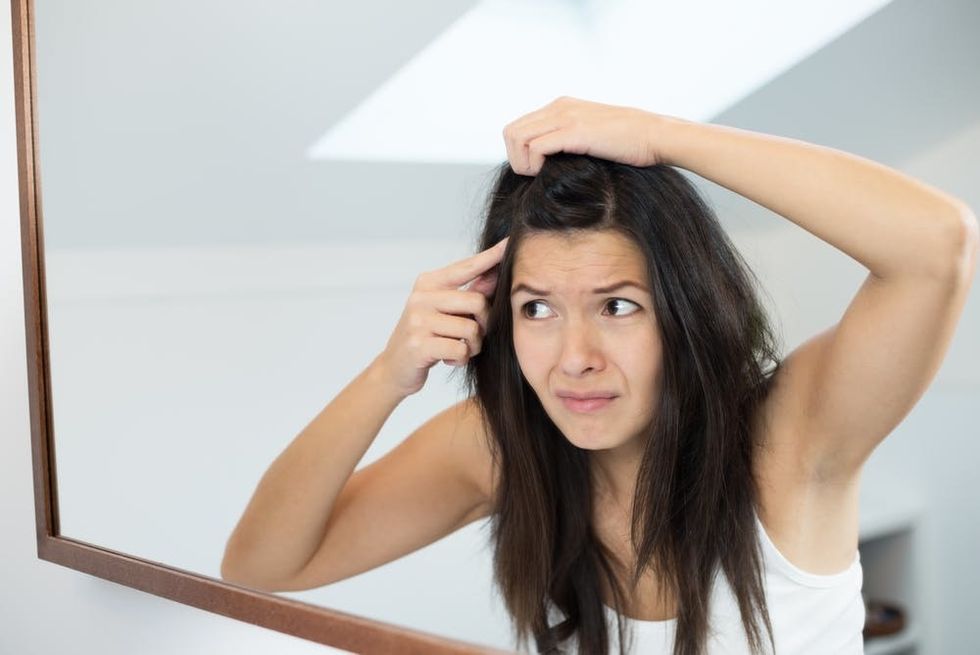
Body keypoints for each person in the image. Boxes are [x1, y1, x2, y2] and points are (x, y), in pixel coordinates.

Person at [220, 97, 978, 655]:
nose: (575, 356)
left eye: (617, 305)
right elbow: (260, 567)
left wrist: (660, 136)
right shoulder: (499, 448)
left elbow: (937, 245)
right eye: (537, 308)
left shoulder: (791, 437)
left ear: (681, 310)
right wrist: (391, 373)